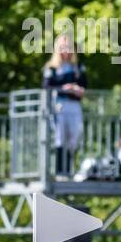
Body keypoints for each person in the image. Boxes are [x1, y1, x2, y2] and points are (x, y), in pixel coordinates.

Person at [43, 34, 86, 177]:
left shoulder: (78, 67)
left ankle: (70, 169)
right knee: (60, 137)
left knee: (75, 135)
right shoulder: (52, 68)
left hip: (74, 105)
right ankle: (60, 171)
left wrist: (78, 90)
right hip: (59, 105)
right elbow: (47, 87)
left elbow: (85, 84)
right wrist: (64, 88)